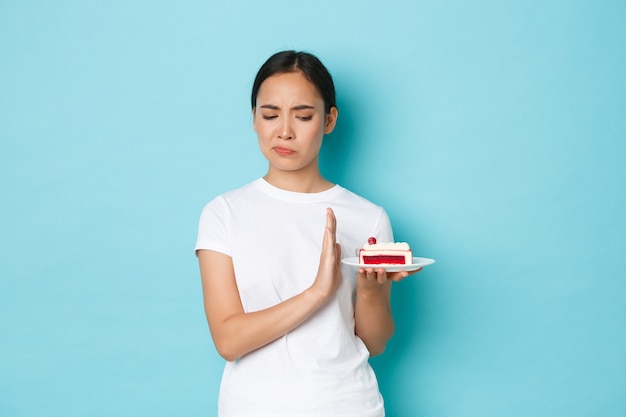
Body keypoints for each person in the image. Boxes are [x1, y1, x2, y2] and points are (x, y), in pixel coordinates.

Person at [195, 50, 420, 417]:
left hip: (349, 404)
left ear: (329, 120)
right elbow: (228, 339)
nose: (284, 130)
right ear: (253, 118)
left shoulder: (368, 217)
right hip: (253, 407)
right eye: (270, 114)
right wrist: (316, 292)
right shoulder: (224, 213)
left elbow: (374, 342)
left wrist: (370, 289)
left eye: (303, 115)